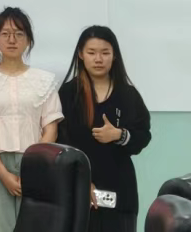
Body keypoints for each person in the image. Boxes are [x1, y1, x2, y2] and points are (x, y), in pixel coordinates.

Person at [0, 7, 63, 232]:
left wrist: (33, 166)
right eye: (5, 34)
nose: (12, 40)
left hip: (36, 164)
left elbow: (51, 128)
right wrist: (3, 174)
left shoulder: (44, 81)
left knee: (35, 226)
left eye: (19, 34)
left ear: (29, 40)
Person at [58, 26, 152, 232]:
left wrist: (119, 135)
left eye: (105, 53)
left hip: (120, 188)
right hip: (78, 188)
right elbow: (62, 141)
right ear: (81, 54)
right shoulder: (69, 93)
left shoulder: (127, 94)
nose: (98, 59)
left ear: (114, 55)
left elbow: (143, 135)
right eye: (92, 52)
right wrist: (83, 182)